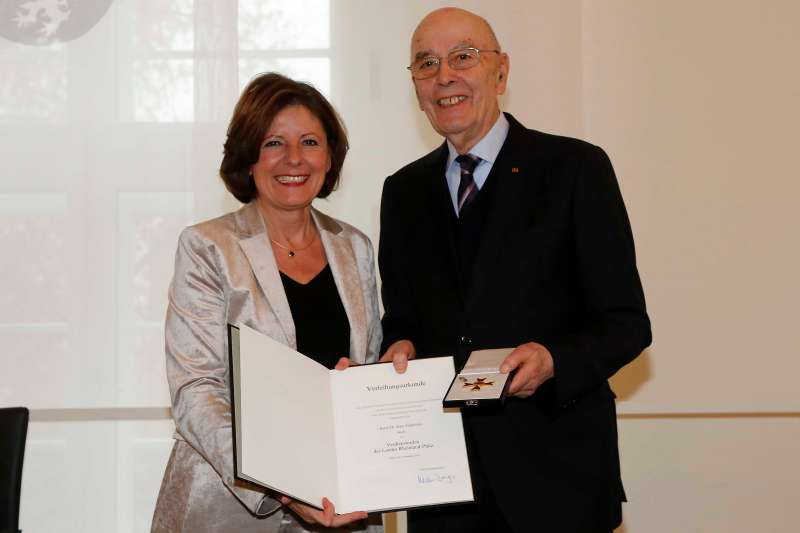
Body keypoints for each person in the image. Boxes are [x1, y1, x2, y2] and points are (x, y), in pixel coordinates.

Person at [378, 8, 652, 533]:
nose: (444, 76)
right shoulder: (402, 191)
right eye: (426, 63)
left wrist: (554, 360)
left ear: (500, 71)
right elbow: (405, 318)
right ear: (414, 83)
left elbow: (627, 323)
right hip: (443, 489)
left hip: (557, 484)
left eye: (463, 57)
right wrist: (400, 347)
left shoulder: (576, 169)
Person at [151, 73, 382, 533]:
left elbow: (364, 371)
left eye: (310, 141)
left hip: (343, 505)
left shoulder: (354, 247)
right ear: (248, 157)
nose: (294, 159)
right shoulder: (207, 246)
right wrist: (286, 488)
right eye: (274, 142)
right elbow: (196, 391)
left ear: (330, 156)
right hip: (227, 511)